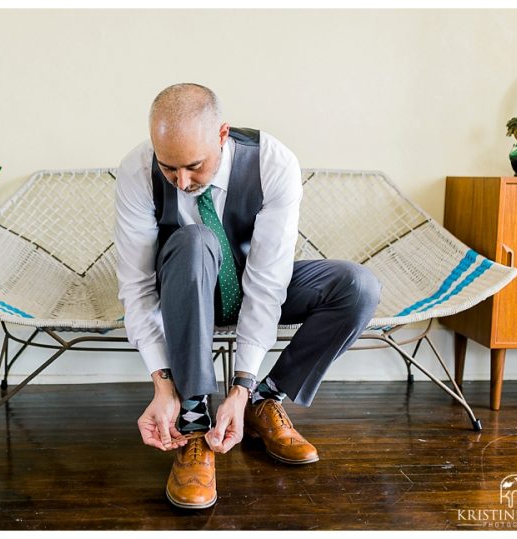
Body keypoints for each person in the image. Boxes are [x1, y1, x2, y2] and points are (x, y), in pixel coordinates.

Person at [114, 83, 382, 509]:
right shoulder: (135, 171)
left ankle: (263, 401)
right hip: (185, 288)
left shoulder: (273, 163)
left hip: (251, 280)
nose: (182, 182)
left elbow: (268, 281)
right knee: (192, 240)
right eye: (169, 169)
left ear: (222, 135)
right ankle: (194, 423)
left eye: (194, 167)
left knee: (357, 286)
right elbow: (137, 285)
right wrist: (162, 385)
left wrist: (241, 387)